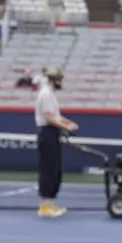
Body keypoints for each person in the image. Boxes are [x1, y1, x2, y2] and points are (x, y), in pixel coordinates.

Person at [34, 69, 78, 218]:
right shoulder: (46, 94)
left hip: (53, 133)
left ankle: (50, 204)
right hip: (47, 133)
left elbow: (56, 116)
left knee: (55, 169)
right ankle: (44, 207)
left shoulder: (50, 94)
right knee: (48, 169)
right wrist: (66, 126)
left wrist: (68, 122)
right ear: (55, 80)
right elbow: (48, 117)